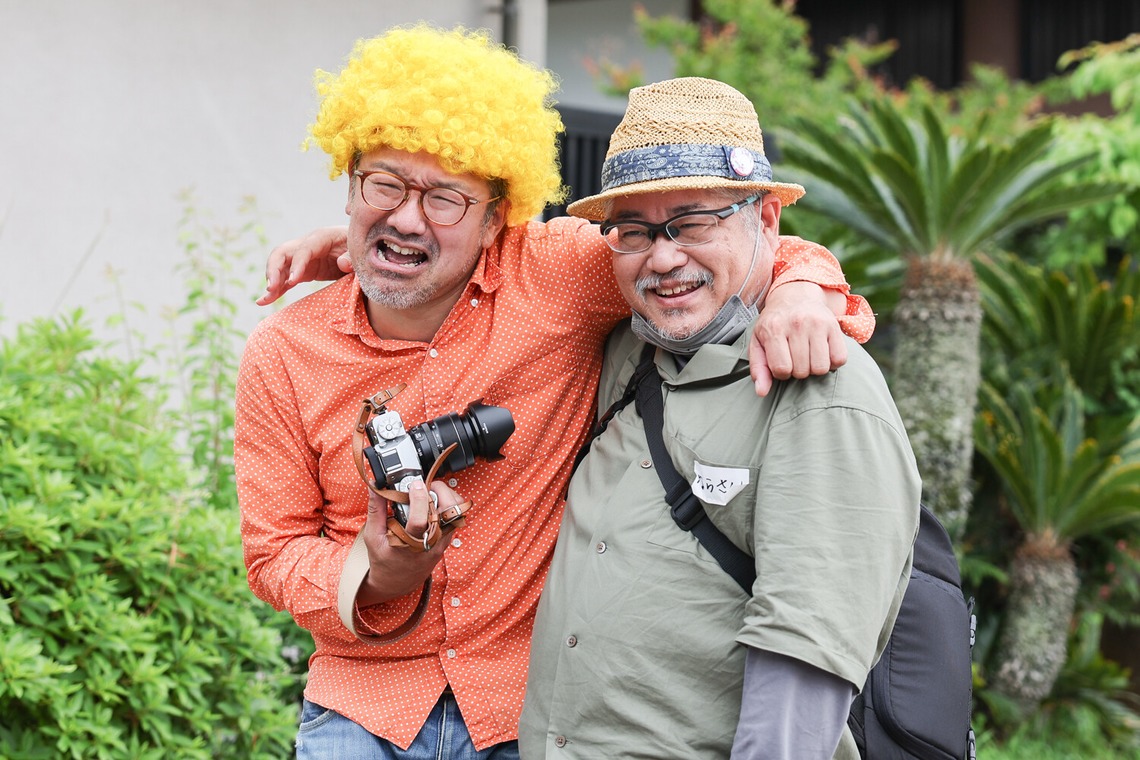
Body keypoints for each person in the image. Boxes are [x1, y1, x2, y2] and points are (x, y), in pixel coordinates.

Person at [235, 25, 875, 759]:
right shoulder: (283, 352)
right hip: (362, 709)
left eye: (445, 197)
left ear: (496, 215)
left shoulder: (559, 274)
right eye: (383, 183)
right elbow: (273, 552)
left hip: (531, 711)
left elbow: (719, 250)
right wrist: (376, 572)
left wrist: (800, 291)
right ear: (349, 181)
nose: (407, 217)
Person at [515, 77, 921, 760]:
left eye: (694, 222)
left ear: (765, 220)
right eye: (636, 230)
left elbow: (805, 655)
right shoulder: (630, 352)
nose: (664, 256)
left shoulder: (822, 387)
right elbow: (479, 258)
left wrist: (801, 286)